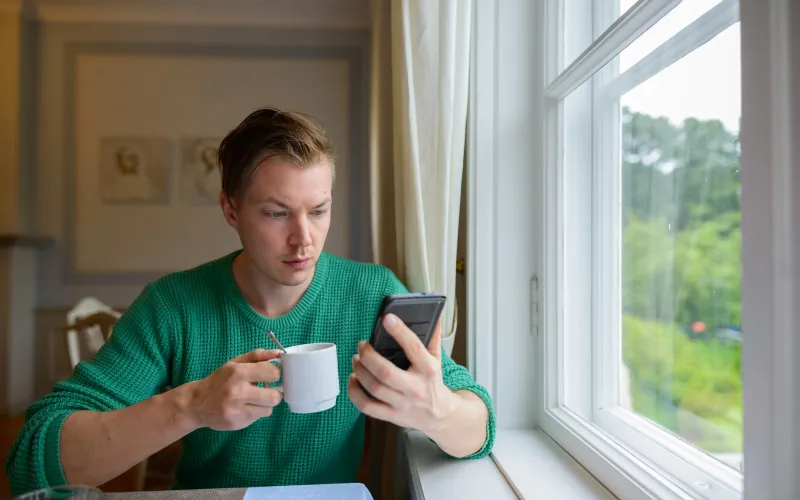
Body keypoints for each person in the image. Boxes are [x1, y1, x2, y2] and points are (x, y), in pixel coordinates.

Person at [5, 108, 496, 495]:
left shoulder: (370, 293)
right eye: (276, 213)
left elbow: (481, 426)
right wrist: (191, 407)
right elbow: (33, 461)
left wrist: (437, 411)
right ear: (230, 210)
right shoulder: (173, 306)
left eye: (319, 210)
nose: (304, 239)